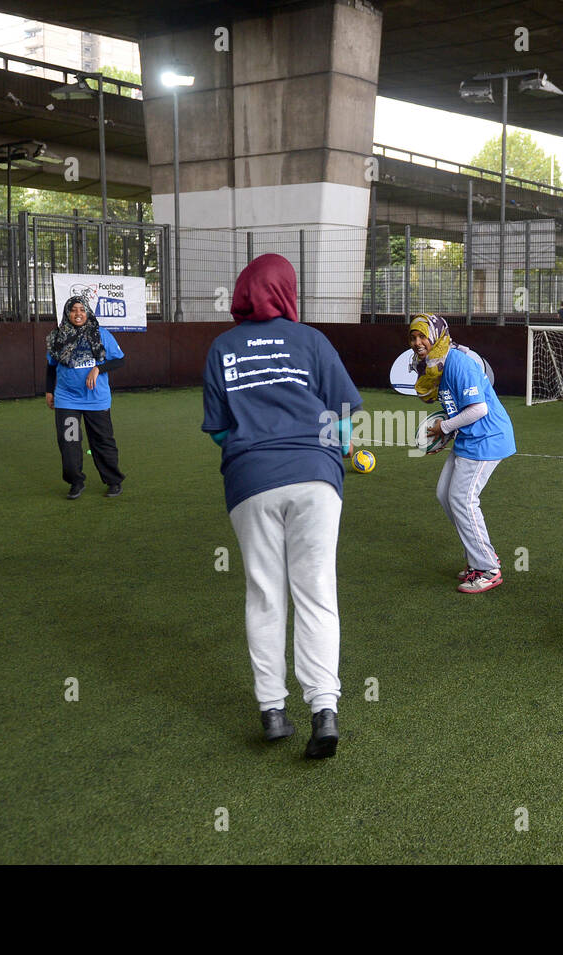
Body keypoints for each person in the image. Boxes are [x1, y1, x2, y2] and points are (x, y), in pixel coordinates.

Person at [202, 253, 361, 758]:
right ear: (289, 290)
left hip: (250, 480)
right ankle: (325, 710)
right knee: (316, 592)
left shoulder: (221, 348)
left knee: (265, 594)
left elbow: (220, 429)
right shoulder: (312, 340)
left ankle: (272, 711)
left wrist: (254, 445)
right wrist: (339, 445)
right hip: (316, 477)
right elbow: (344, 413)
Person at [411, 313, 516, 594]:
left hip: (488, 438)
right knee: (445, 494)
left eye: (423, 335)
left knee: (463, 499)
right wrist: (446, 434)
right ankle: (478, 558)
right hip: (468, 438)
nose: (418, 342)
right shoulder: (437, 364)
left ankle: (488, 569)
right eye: (414, 336)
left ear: (437, 335)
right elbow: (458, 408)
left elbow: (479, 409)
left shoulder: (458, 363)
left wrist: (443, 426)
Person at [46, 295, 126, 499]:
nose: (78, 314)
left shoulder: (101, 335)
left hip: (96, 399)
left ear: (88, 312)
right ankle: (75, 481)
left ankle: (113, 481)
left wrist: (98, 368)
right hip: (67, 399)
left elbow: (119, 361)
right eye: (73, 310)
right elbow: (51, 366)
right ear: (67, 313)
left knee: (101, 441)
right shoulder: (57, 336)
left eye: (82, 309)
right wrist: (49, 391)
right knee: (69, 441)